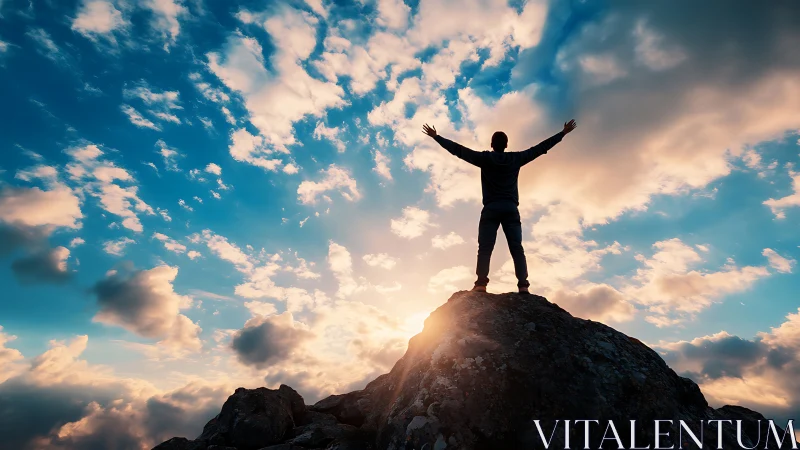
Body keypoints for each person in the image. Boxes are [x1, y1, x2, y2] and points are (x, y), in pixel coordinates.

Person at [421, 120, 577, 293]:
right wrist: (562, 133)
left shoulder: (485, 159)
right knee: (516, 247)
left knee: (485, 248)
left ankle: (481, 283)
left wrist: (437, 137)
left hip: (491, 208)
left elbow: (459, 151)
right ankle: (523, 285)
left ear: (492, 144)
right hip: (510, 208)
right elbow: (539, 149)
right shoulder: (516, 158)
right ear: (506, 145)